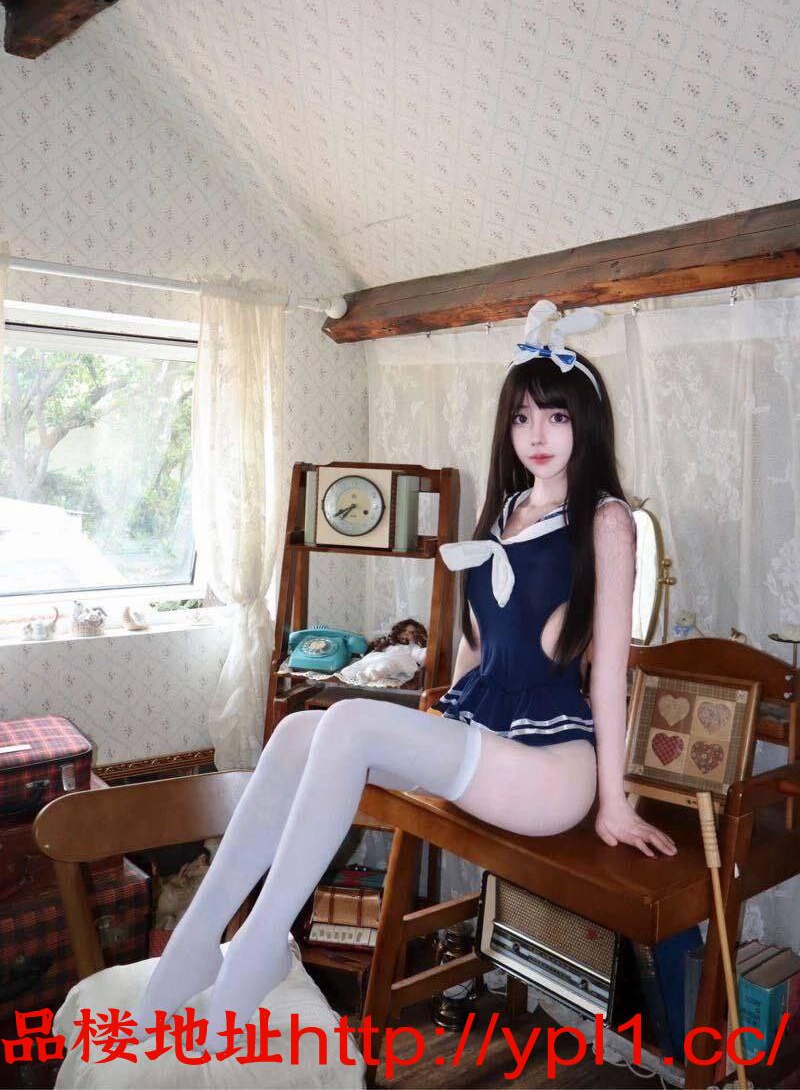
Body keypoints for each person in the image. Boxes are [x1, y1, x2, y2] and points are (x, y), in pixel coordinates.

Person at [133, 300, 676, 1050]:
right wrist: (432, 731)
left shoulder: (606, 520)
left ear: (586, 422)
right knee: (297, 731)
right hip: (488, 741)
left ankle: (256, 950)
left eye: (556, 417)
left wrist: (613, 804)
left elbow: (609, 672)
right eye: (522, 418)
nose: (538, 435)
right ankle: (198, 941)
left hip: (551, 768)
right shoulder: (507, 511)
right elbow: (477, 652)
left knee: (350, 720)